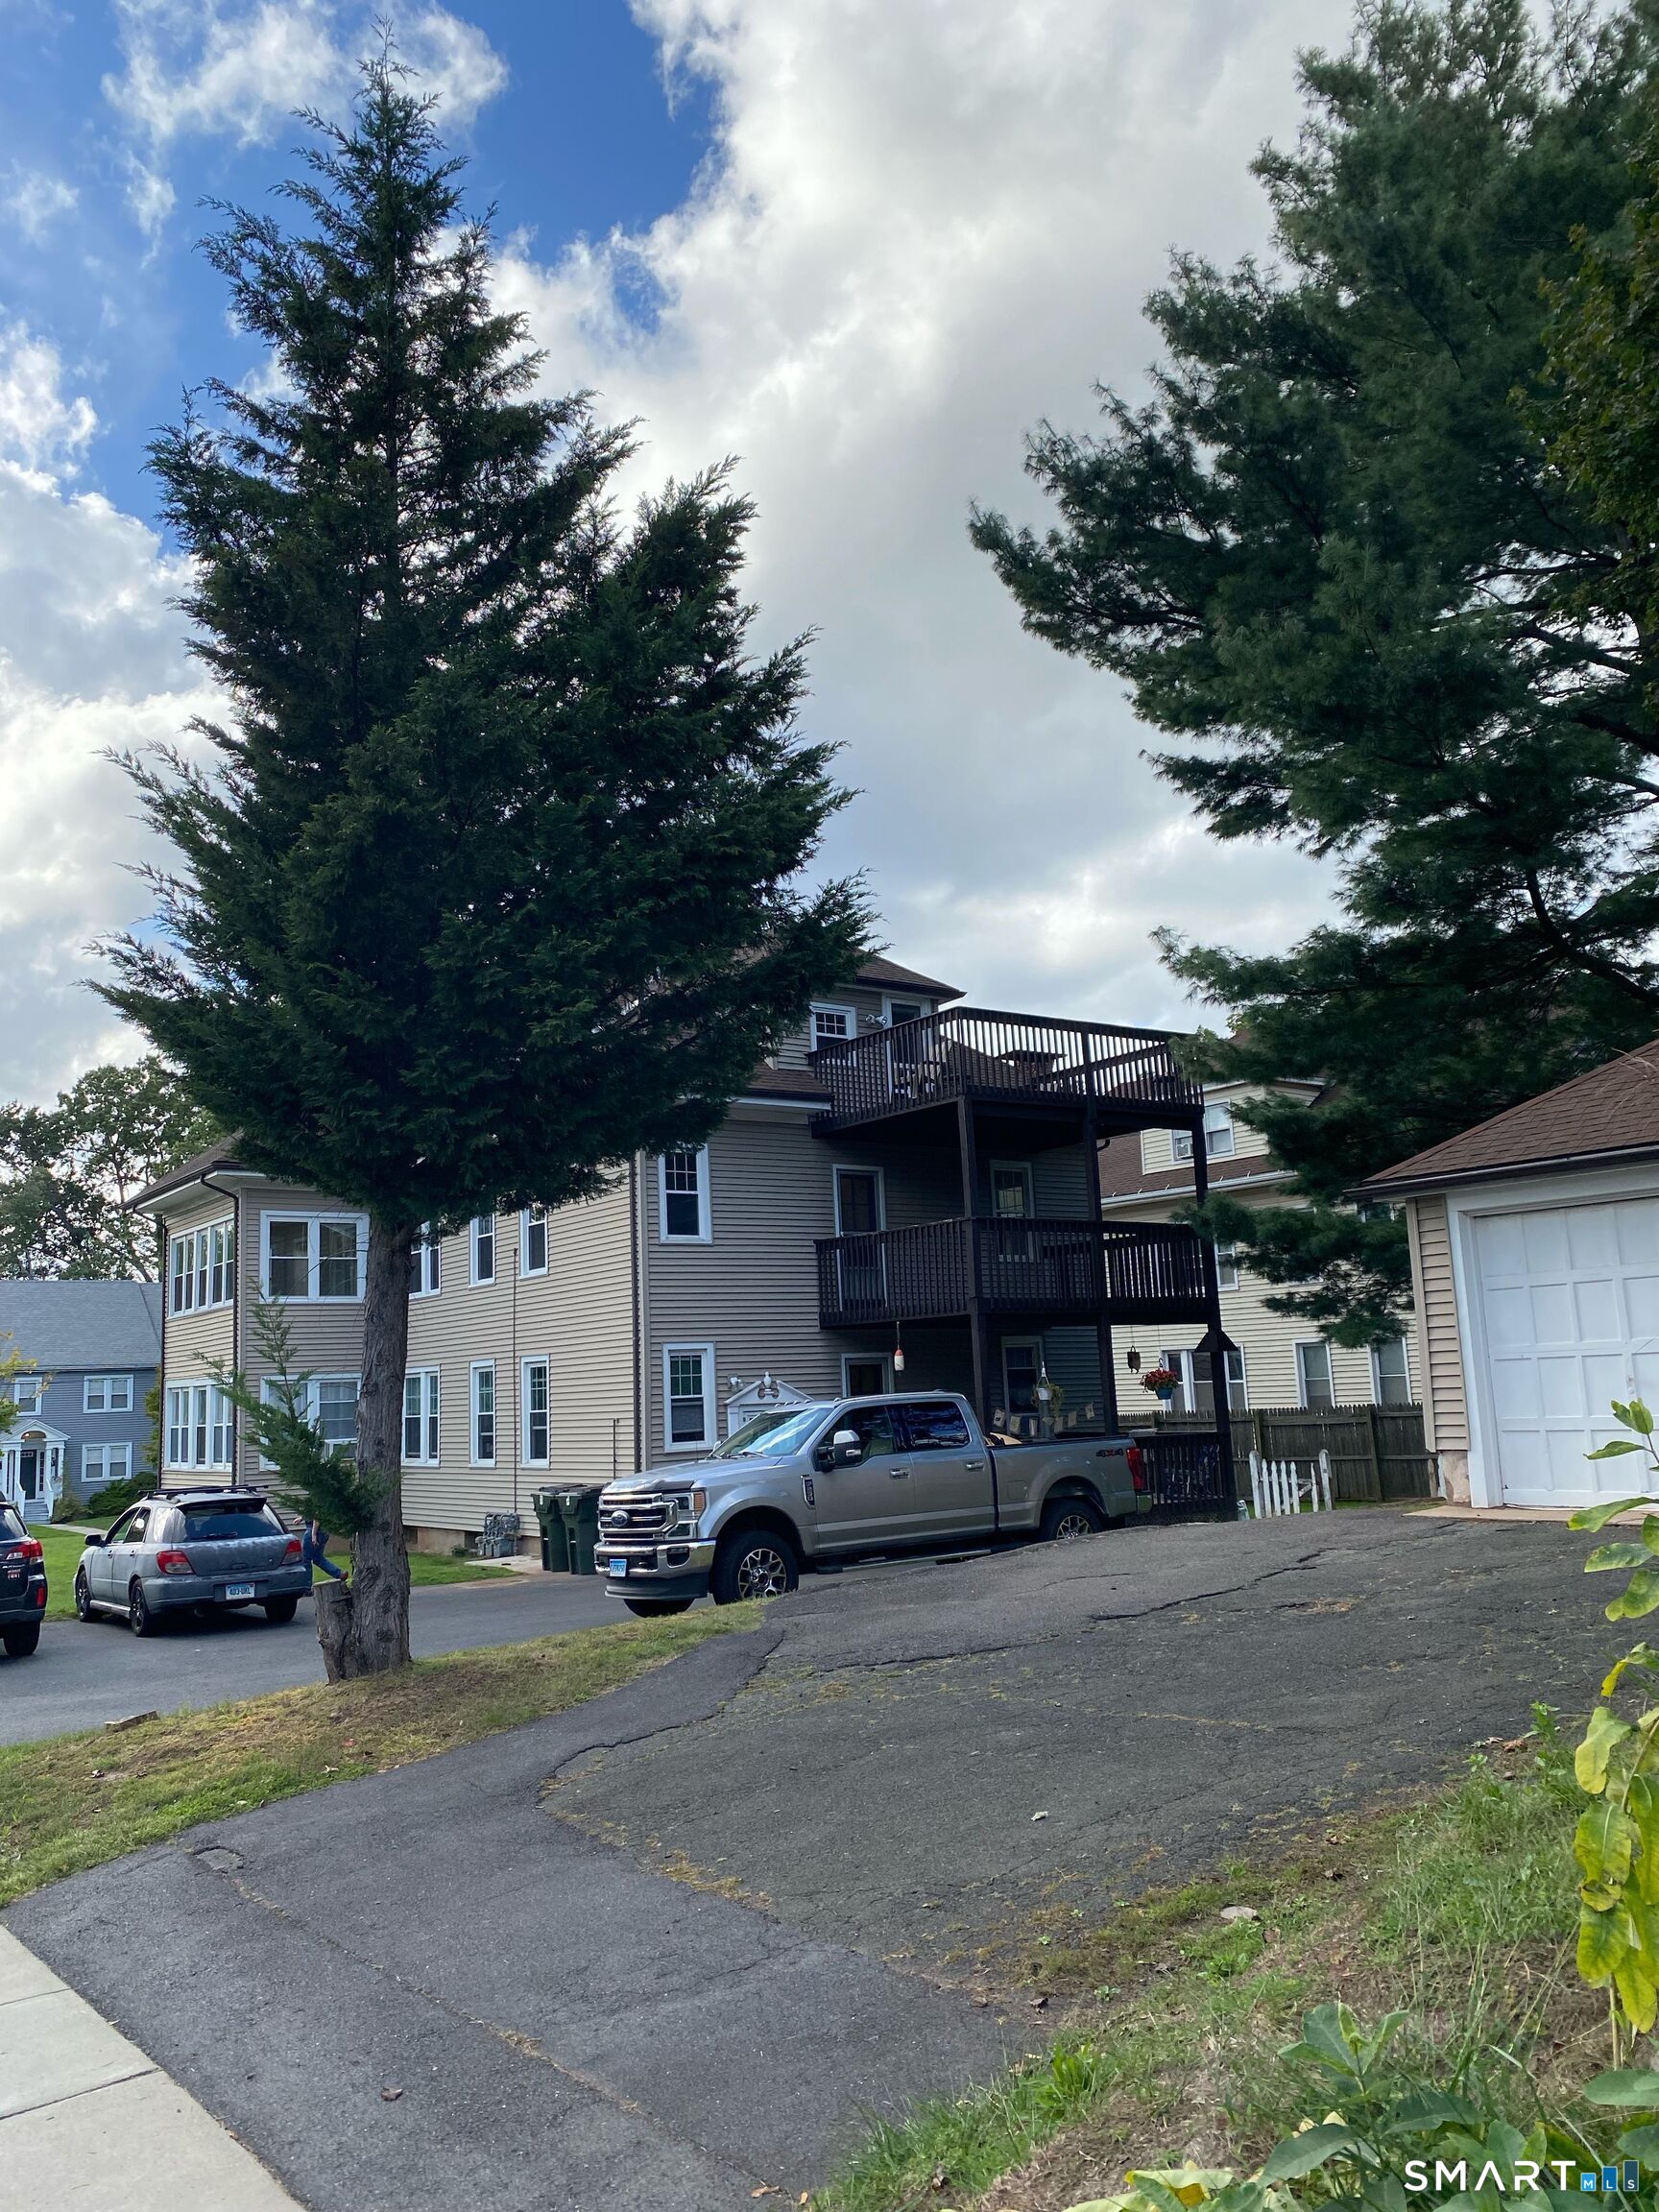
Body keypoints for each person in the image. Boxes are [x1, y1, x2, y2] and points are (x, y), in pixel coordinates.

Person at [302, 1517, 346, 1584]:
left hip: (314, 1530)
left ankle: (306, 1585)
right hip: (324, 1532)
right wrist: (302, 1518)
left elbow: (317, 1517)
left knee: (305, 1559)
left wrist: (313, 1534)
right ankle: (339, 1574)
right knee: (318, 1558)